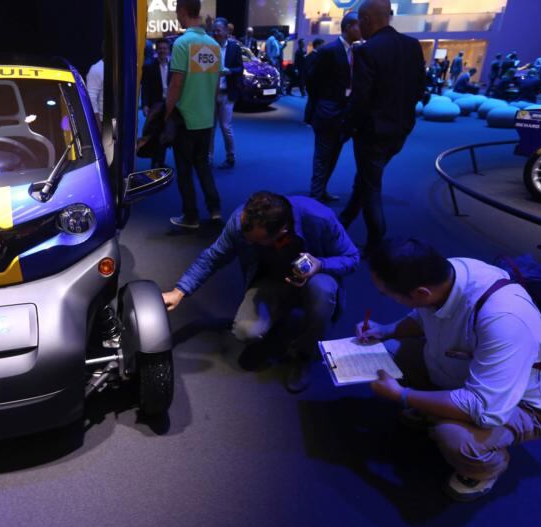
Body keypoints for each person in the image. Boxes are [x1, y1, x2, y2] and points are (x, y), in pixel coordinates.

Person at [358, 238, 541, 501]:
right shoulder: (447, 274)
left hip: (520, 404)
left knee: (454, 437)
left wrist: (403, 395)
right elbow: (421, 317)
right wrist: (384, 331)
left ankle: (485, 469)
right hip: (463, 372)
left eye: (388, 294)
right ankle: (435, 409)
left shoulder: (503, 320)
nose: (387, 298)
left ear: (421, 293)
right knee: (389, 353)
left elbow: (484, 407)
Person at [162, 191, 359, 392]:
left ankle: (303, 355)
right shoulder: (242, 221)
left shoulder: (319, 217)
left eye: (254, 241)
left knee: (322, 292)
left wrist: (321, 264)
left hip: (315, 278)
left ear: (281, 232)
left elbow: (352, 257)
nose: (246, 241)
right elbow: (213, 257)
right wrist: (179, 291)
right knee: (245, 331)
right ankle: (282, 318)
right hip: (272, 280)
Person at [339, 0, 426, 251]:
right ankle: (344, 219)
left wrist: (347, 130)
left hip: (372, 134)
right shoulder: (412, 46)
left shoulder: (367, 51)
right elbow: (420, 89)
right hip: (401, 131)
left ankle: (377, 244)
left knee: (372, 188)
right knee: (367, 179)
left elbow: (360, 100)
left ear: (366, 19)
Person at [164, 0, 221, 229]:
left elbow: (176, 84)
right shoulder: (214, 46)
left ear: (183, 11)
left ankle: (191, 216)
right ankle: (215, 211)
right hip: (206, 119)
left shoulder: (182, 44)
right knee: (203, 166)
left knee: (185, 171)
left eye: (177, 12)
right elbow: (216, 85)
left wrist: (166, 114)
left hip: (185, 120)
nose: (177, 16)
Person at [306, 12, 361, 203]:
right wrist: (323, 103)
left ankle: (322, 191)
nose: (362, 29)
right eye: (358, 25)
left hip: (345, 114)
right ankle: (314, 199)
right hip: (327, 112)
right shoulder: (328, 51)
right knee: (322, 158)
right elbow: (312, 80)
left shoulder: (357, 51)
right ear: (347, 27)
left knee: (334, 156)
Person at [210, 18, 242, 170]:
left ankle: (231, 157)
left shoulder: (234, 47)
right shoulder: (209, 47)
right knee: (210, 127)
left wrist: (229, 71)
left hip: (227, 93)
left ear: (226, 31)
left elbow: (240, 69)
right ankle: (208, 158)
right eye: (214, 30)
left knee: (225, 126)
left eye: (218, 30)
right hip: (210, 94)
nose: (216, 33)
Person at [141, 39, 171, 168]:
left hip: (170, 104)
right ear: (156, 50)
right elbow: (145, 87)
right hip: (155, 104)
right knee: (154, 133)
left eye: (165, 48)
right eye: (160, 48)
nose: (162, 51)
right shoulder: (149, 67)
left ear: (168, 50)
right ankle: (154, 161)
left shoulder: (174, 66)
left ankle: (161, 161)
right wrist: (145, 104)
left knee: (166, 133)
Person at [86, 57, 105, 127]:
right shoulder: (97, 69)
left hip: (116, 120)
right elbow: (91, 100)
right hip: (103, 122)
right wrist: (98, 128)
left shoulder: (118, 69)